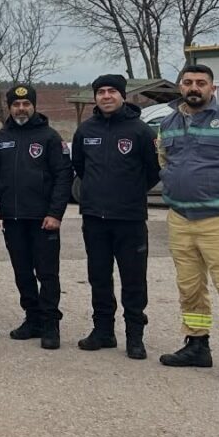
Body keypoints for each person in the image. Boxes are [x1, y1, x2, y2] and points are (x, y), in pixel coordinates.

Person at [156, 64, 219, 383]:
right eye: (188, 82)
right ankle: (197, 346)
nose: (194, 87)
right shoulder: (168, 124)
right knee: (189, 287)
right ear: (180, 87)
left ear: (213, 88)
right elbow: (165, 162)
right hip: (181, 220)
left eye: (201, 82)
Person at [70, 73, 159, 359]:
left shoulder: (141, 131)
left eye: (112, 91)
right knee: (99, 277)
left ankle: (135, 336)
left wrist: (129, 192)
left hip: (130, 219)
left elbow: (153, 170)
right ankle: (103, 331)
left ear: (123, 95)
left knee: (133, 280)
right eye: (101, 92)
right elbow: (80, 167)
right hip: (94, 217)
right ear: (95, 97)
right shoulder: (85, 130)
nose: (106, 96)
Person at [0, 83, 73, 351]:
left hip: (43, 220)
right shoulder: (0, 138)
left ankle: (50, 324)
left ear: (34, 106)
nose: (21, 109)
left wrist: (55, 213)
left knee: (47, 273)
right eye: (16, 105)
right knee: (22, 272)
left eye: (26, 104)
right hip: (12, 219)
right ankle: (32, 319)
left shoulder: (49, 137)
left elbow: (63, 176)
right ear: (10, 108)